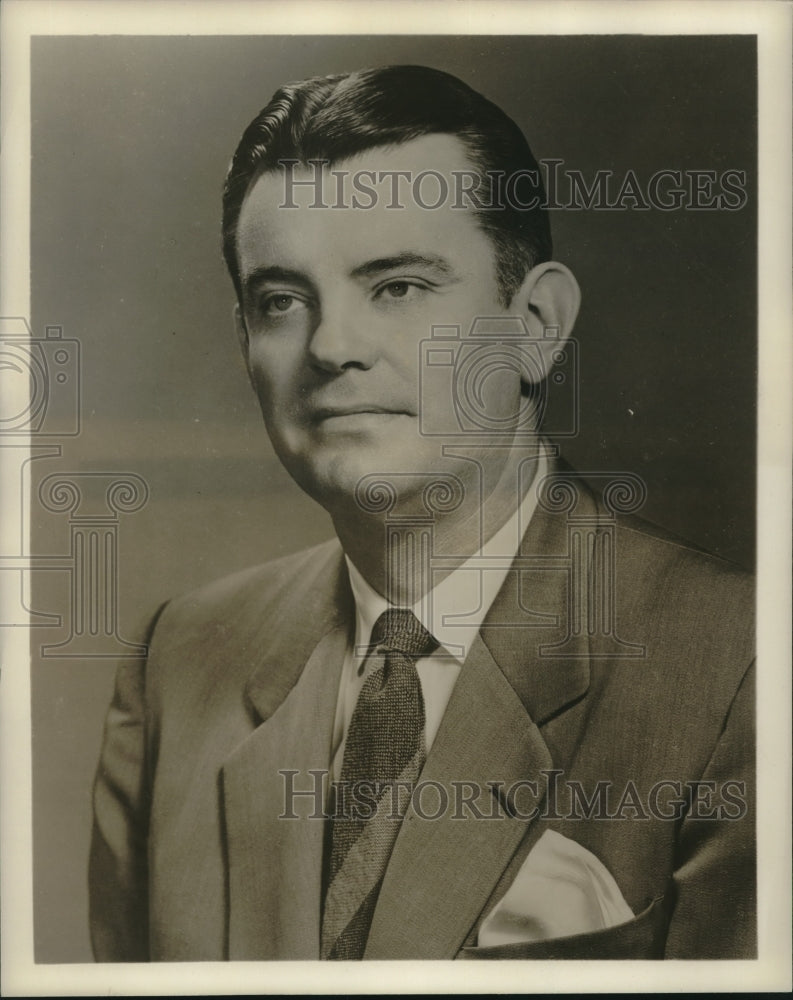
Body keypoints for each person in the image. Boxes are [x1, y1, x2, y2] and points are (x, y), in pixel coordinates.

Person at [89, 64, 755, 961]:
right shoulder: (177, 659)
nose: (330, 347)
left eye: (397, 286)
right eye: (281, 301)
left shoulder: (742, 666)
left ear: (536, 324)